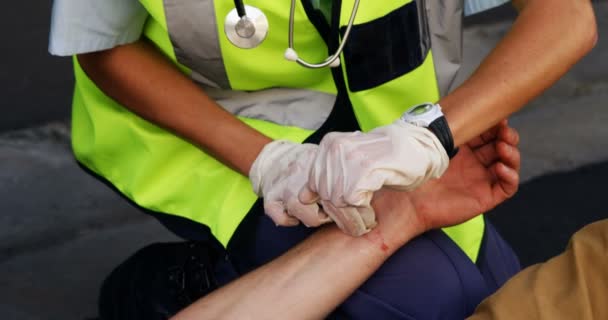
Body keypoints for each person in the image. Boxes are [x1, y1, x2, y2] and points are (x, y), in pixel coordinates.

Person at [48, 0, 597, 318]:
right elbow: (102, 45)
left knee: (494, 299)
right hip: (207, 136)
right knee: (428, 300)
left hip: (391, 137)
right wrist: (269, 162)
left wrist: (429, 134)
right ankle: (170, 291)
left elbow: (566, 17)